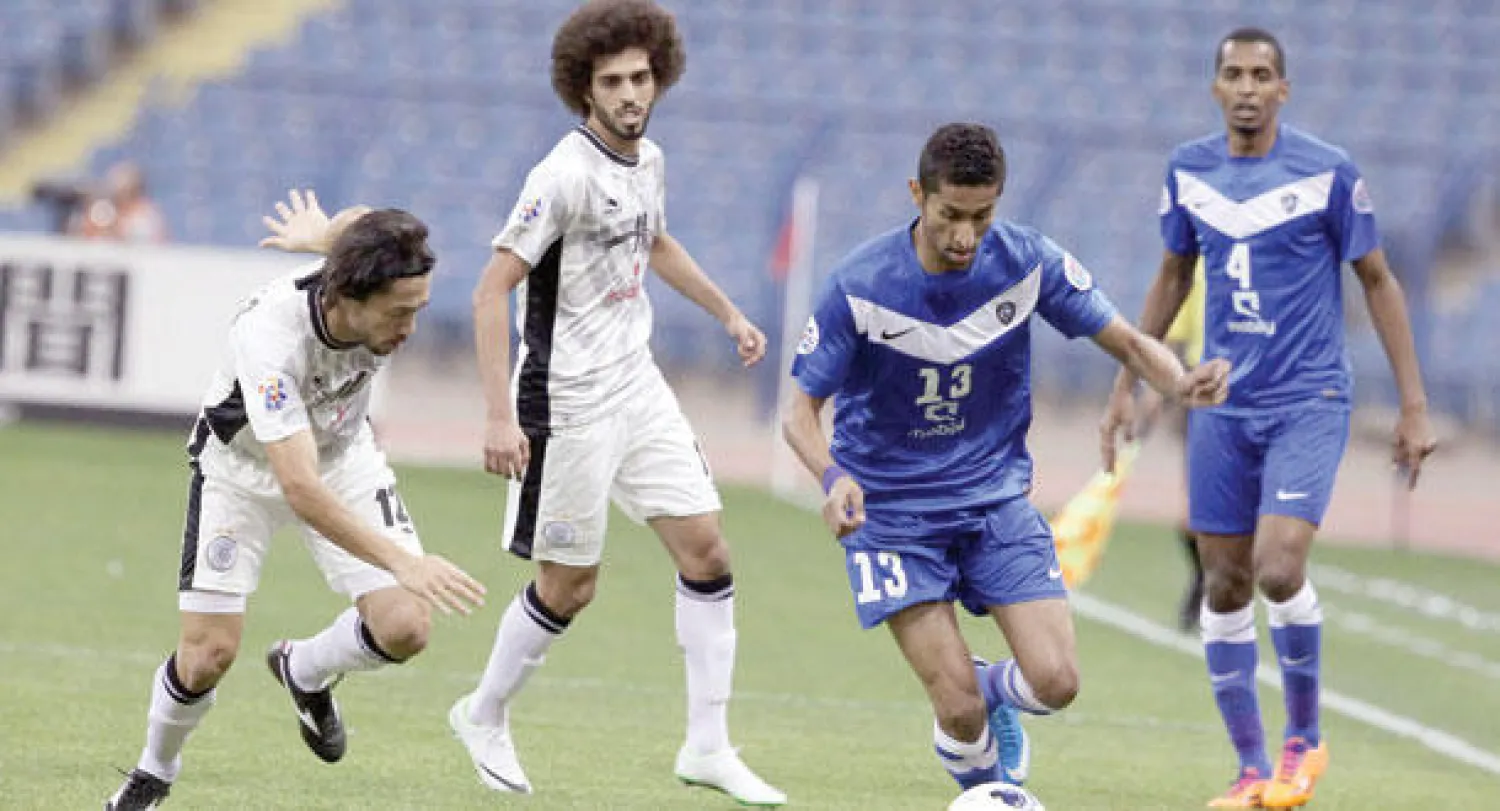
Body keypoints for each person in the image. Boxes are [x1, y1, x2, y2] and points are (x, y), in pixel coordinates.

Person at [780, 122, 1230, 796]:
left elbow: (1132, 343)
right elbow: (798, 413)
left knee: (1056, 682)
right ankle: (980, 750)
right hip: (893, 516)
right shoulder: (861, 286)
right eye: (950, 216)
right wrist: (833, 476)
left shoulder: (1025, 262)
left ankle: (991, 685)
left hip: (993, 502)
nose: (966, 236)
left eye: (982, 216)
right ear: (917, 195)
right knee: (956, 709)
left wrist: (1178, 382)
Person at [450, 1, 785, 804]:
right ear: (583, 91)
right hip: (565, 400)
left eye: (641, 77)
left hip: (636, 382)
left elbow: (655, 240)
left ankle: (707, 746)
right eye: (613, 81)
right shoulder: (560, 175)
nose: (631, 93)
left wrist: (728, 312)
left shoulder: (651, 159)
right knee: (570, 586)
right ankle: (484, 711)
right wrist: (498, 415)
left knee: (707, 550)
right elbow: (490, 289)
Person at [1099, 27, 1437, 809]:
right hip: (1221, 402)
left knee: (1280, 566)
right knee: (1224, 582)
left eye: (1261, 75)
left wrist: (1413, 405)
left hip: (1309, 398)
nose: (1247, 87)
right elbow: (1174, 273)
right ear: (1215, 88)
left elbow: (1379, 281)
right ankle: (1251, 770)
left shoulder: (1326, 172)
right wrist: (1133, 382)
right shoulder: (1189, 171)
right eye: (1232, 74)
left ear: (1283, 89)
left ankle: (1303, 740)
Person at [105, 190, 487, 810]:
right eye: (398, 314)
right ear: (350, 300)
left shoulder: (366, 275)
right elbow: (300, 489)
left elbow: (359, 221)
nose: (409, 329)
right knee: (207, 657)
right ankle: (154, 770)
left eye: (418, 309)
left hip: (343, 457)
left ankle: (304, 670)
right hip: (243, 471)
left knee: (406, 626)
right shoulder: (270, 338)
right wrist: (405, 561)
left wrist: (326, 234)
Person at [1163, 259, 1207, 632]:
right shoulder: (1201, 261)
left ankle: (1221, 587)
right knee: (1192, 518)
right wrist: (1169, 389)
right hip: (1203, 396)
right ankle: (1203, 578)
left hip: (1254, 392)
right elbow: (1175, 336)